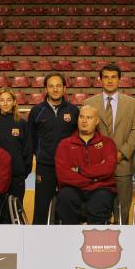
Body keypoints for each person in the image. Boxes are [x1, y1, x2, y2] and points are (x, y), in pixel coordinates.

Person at [85, 64, 135, 224]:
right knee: (98, 207)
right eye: (106, 77)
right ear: (100, 80)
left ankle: (122, 242)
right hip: (98, 164)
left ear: (119, 79)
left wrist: (122, 153)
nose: (110, 80)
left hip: (122, 162)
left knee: (122, 209)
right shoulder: (89, 103)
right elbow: (86, 131)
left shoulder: (132, 104)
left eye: (113, 77)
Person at [28, 73, 79, 224]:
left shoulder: (74, 111)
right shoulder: (37, 111)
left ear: (64, 88)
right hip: (45, 166)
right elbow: (31, 139)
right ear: (46, 89)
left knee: (69, 203)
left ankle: (69, 237)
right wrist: (39, 155)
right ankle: (38, 239)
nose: (55, 89)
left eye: (58, 86)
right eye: (51, 86)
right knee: (42, 207)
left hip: (69, 166)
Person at [54, 105, 118, 224]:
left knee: (101, 199)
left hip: (100, 190)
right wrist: (93, 179)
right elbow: (63, 175)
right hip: (73, 189)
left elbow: (108, 169)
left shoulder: (108, 143)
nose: (84, 121)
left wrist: (79, 170)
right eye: (81, 117)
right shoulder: (65, 144)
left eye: (89, 117)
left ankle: (95, 238)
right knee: (64, 197)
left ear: (97, 121)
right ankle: (71, 236)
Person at [0, 87, 33, 203]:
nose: (5, 103)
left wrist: (23, 171)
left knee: (15, 210)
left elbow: (28, 150)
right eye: (2, 100)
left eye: (8, 100)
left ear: (14, 102)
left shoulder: (22, 124)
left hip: (16, 176)